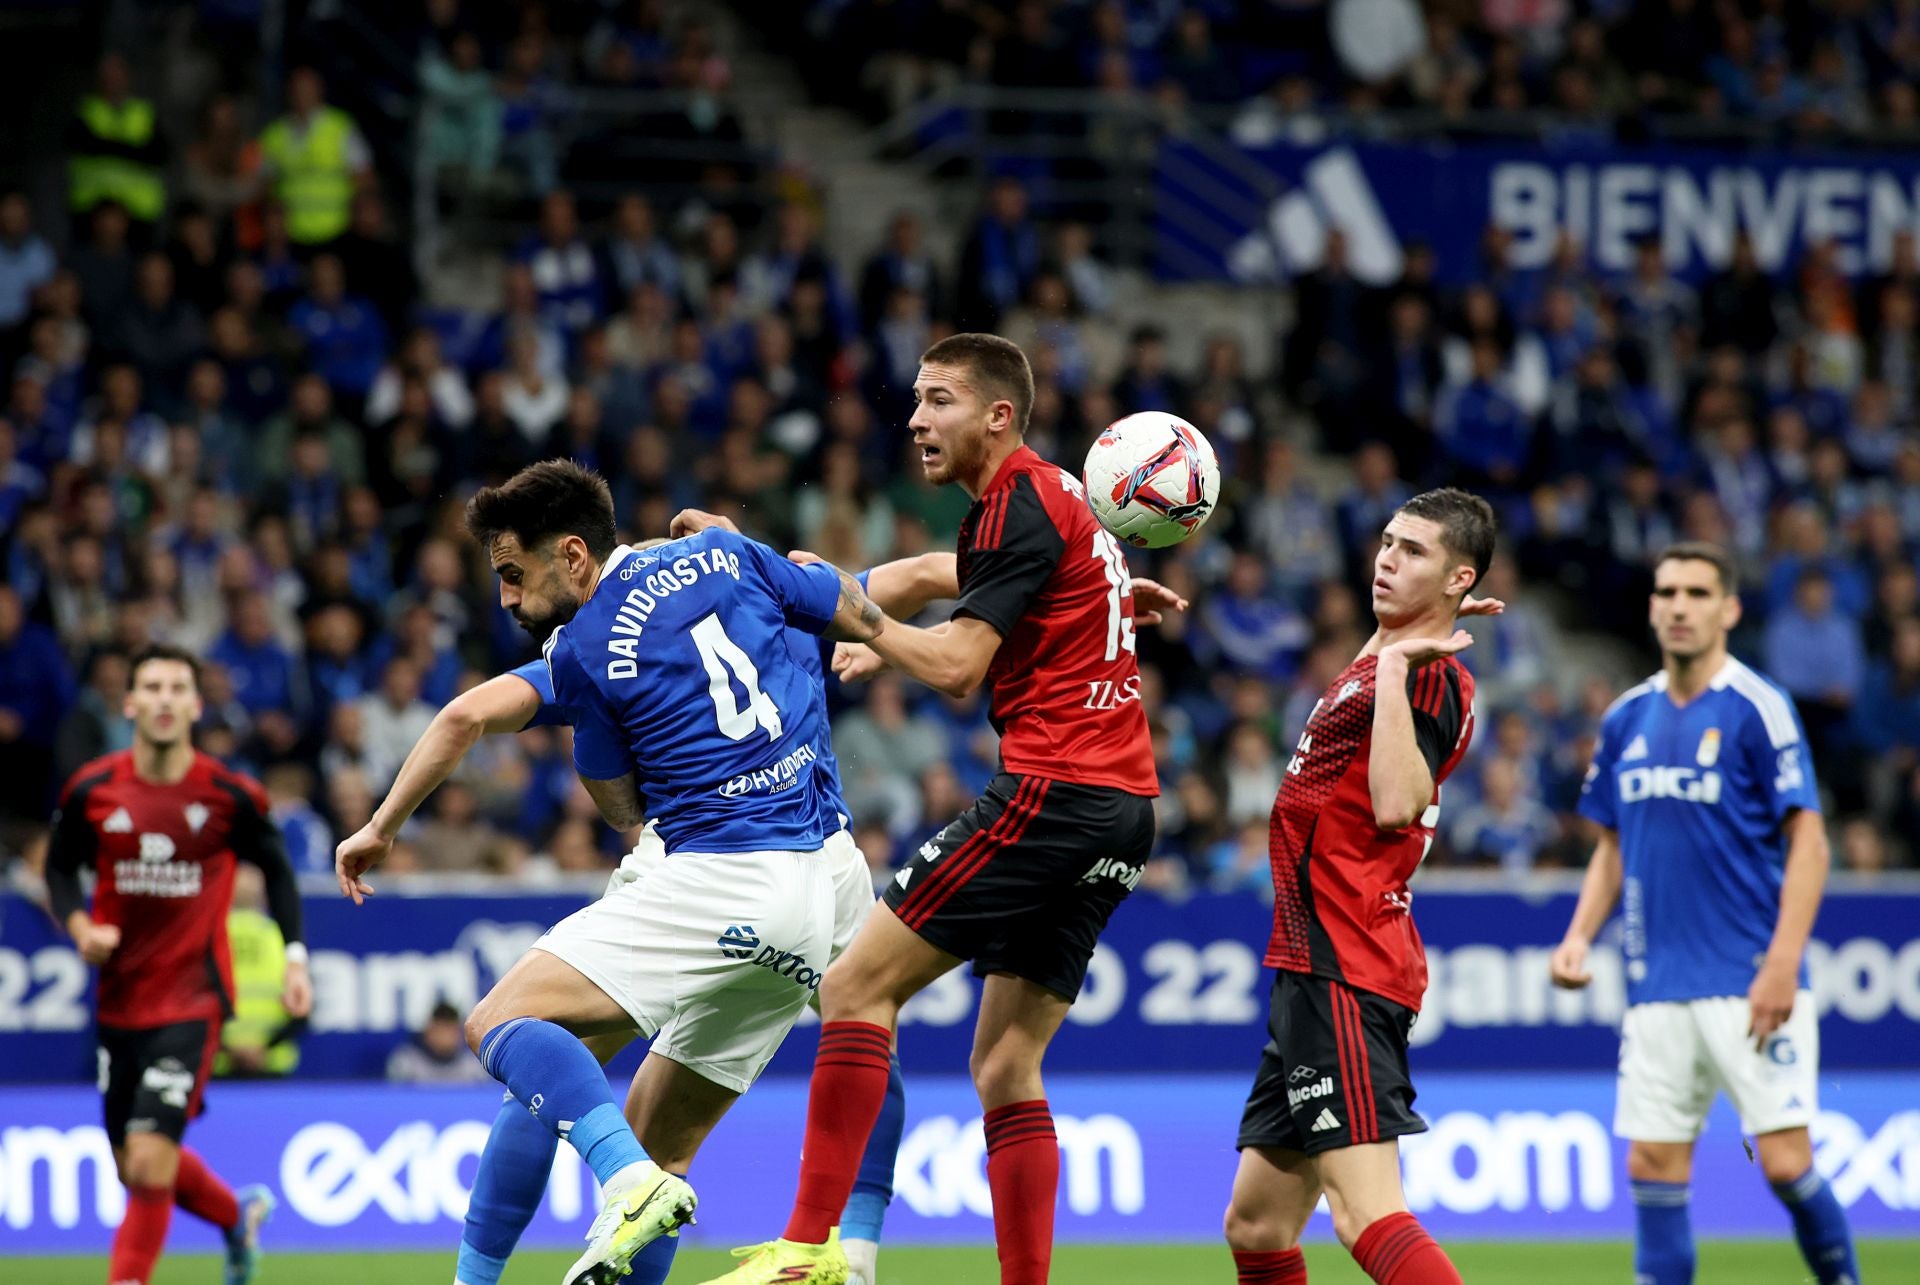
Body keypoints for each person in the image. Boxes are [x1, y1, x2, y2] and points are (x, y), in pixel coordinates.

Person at [336, 535, 968, 1285]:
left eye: (513, 577)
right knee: (840, 1038)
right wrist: (1085, 575)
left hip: (706, 863)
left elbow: (473, 719)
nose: (508, 597)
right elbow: (926, 573)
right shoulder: (777, 583)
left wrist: (380, 825)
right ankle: (852, 1247)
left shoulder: (599, 645)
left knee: (520, 1035)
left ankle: (495, 1266)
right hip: (825, 873)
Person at [705, 333, 1164, 1285]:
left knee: (854, 987)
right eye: (916, 398)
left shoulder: (1020, 503)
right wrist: (855, 602)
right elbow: (924, 574)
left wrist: (861, 620)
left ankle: (803, 1256)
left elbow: (956, 667)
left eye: (940, 399)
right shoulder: (1050, 501)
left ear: (999, 415)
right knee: (1003, 1067)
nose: (915, 417)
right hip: (1123, 812)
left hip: (1053, 792)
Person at [1551, 542, 1858, 1285]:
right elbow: (1612, 844)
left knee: (1786, 1164)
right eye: (1666, 592)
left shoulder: (1758, 706)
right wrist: (1577, 934)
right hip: (1655, 983)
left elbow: (1809, 839)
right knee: (1652, 1161)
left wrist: (1785, 959)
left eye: (1696, 592)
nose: (1679, 606)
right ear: (1651, 606)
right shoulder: (1626, 718)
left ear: (1729, 608)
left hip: (1748, 976)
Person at [1222, 488, 1497, 1285]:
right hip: (1312, 962)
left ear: (1458, 577)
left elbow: (1396, 801)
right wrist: (1400, 643)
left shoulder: (1429, 678)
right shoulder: (1389, 657)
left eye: (1414, 551)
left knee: (1364, 1213)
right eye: (1386, 541)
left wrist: (1402, 659)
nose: (1386, 558)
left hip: (1346, 962)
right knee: (1258, 1224)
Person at [44, 643, 312, 1285]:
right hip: (118, 1001)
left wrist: (295, 959)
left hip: (192, 1001)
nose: (164, 699)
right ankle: (236, 1214)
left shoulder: (228, 794)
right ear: (130, 702)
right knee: (134, 1165)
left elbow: (277, 873)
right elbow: (57, 868)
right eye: (152, 687)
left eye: (177, 688)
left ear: (195, 704)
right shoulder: (93, 788)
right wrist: (80, 925)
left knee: (150, 1162)